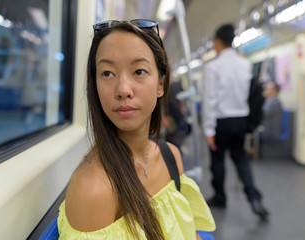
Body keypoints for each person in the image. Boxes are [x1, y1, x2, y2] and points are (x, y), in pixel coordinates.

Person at [57, 19, 215, 239]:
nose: (123, 90)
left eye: (139, 71)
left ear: (161, 85)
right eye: (107, 73)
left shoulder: (171, 157)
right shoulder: (93, 190)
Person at [202, 24, 269, 220]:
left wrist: (208, 129)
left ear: (217, 42)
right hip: (240, 121)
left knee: (217, 162)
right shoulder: (245, 64)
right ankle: (254, 198)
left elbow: (210, 100)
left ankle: (220, 197)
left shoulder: (212, 67)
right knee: (241, 160)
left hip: (220, 122)